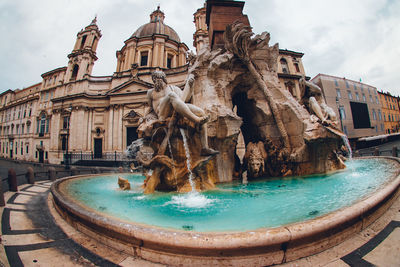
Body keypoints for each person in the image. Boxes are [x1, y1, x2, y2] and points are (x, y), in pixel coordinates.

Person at [145, 70, 218, 156]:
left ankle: (205, 148)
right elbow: (150, 107)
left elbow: (184, 100)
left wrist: (190, 86)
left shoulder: (173, 88)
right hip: (162, 114)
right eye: (154, 79)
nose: (156, 80)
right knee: (171, 95)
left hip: (176, 110)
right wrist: (148, 116)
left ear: (164, 79)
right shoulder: (150, 92)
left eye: (159, 78)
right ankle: (197, 120)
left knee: (201, 112)